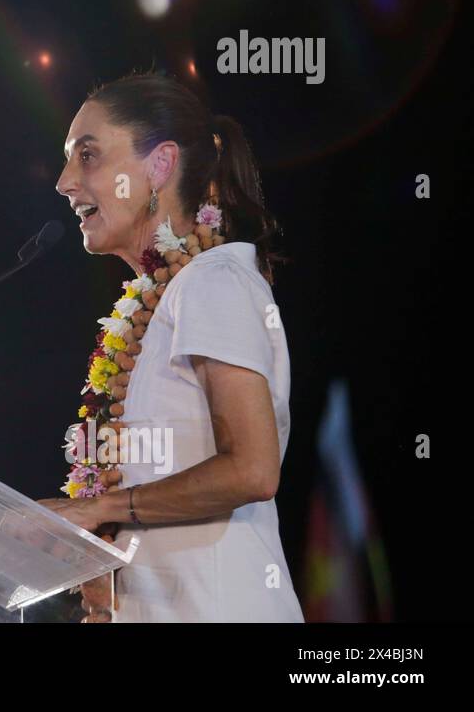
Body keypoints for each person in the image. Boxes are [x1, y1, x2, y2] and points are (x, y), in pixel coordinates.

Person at [38, 70, 304, 623]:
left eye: (87, 156)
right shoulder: (152, 306)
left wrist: (98, 509)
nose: (64, 181)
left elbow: (253, 471)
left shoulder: (211, 279)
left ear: (159, 166)